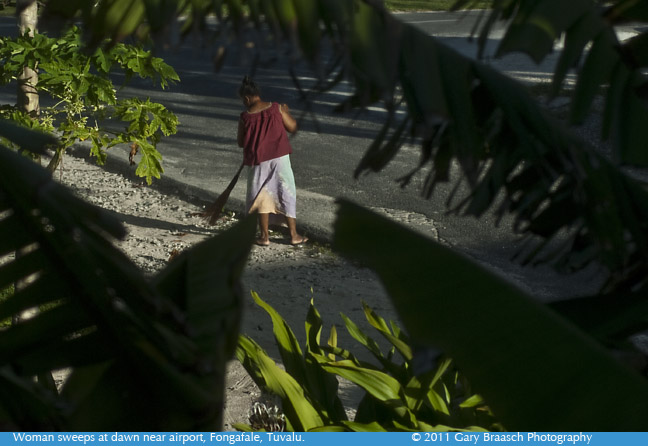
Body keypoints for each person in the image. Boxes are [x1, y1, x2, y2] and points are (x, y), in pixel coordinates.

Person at [237, 76, 308, 246]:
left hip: (258, 162)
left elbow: (241, 142)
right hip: (280, 160)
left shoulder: (245, 117)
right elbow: (293, 127)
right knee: (286, 193)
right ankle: (294, 235)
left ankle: (264, 237)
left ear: (247, 98)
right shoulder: (277, 108)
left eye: (242, 100)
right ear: (258, 95)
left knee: (261, 196)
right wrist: (287, 112)